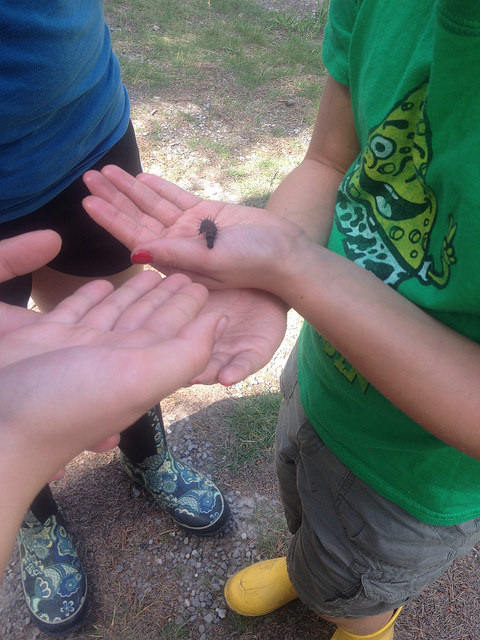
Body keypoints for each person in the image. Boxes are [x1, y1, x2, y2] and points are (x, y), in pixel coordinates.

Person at [82, 1, 480, 638]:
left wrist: (292, 268)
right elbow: (328, 160)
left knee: (355, 583)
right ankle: (309, 569)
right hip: (324, 375)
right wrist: (271, 274)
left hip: (415, 483)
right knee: (305, 498)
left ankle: (361, 621)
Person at [0, 3, 233, 636]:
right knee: (10, 385)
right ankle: (31, 511)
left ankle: (146, 456)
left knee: (125, 333)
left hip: (87, 136)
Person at [0, 230, 226, 581]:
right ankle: (31, 519)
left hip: (65, 179)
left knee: (124, 336)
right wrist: (12, 459)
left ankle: (148, 460)